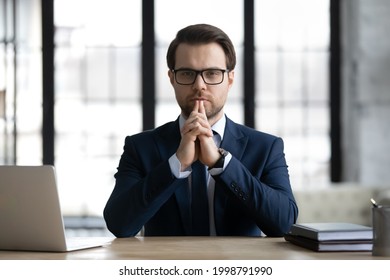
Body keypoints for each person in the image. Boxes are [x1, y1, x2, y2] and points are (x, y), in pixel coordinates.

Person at [103, 23, 298, 237]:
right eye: (187, 73)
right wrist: (176, 163)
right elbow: (119, 224)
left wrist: (220, 163)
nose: (199, 85)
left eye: (212, 73)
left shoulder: (266, 147)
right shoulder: (140, 147)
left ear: (230, 79)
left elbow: (284, 224)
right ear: (172, 78)